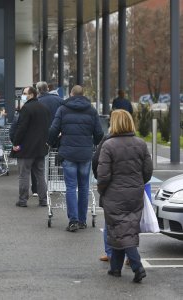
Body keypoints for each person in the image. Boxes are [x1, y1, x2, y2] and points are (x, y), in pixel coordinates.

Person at [97, 109, 153, 283]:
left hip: (114, 193)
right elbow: (148, 171)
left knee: (120, 230)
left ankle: (137, 266)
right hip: (135, 192)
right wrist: (137, 182)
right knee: (123, 229)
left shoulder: (108, 145)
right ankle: (115, 269)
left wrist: (102, 190)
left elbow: (103, 175)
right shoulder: (141, 144)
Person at [48, 85, 103, 232]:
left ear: (71, 94)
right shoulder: (91, 110)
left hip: (68, 153)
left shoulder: (63, 109)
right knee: (84, 187)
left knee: (71, 187)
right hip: (85, 154)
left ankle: (73, 221)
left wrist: (50, 142)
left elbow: (54, 129)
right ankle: (82, 220)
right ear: (83, 94)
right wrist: (94, 143)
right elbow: (99, 132)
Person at [11, 86, 50, 207]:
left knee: (24, 174)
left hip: (27, 148)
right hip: (40, 147)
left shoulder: (26, 109)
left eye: (25, 93)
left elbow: (21, 128)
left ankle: (23, 200)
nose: (23, 95)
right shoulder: (44, 108)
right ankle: (43, 200)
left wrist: (16, 143)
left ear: (32, 94)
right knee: (40, 175)